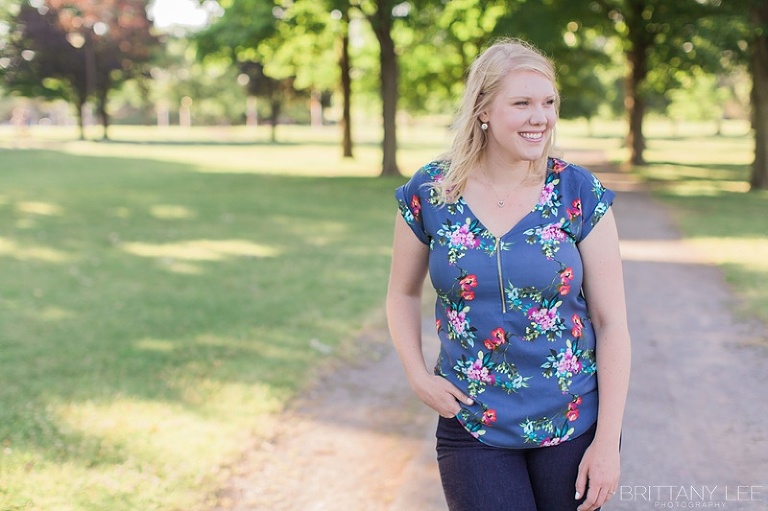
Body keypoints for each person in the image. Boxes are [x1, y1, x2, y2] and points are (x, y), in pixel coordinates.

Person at [385, 38, 631, 511]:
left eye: (548, 102)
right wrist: (417, 374)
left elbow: (611, 322)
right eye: (522, 103)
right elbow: (401, 293)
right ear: (483, 110)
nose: (541, 117)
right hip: (471, 421)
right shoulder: (432, 192)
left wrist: (607, 443)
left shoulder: (577, 191)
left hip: (571, 421)